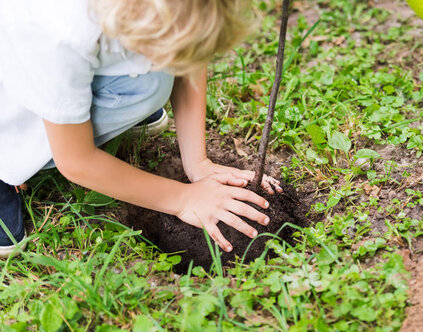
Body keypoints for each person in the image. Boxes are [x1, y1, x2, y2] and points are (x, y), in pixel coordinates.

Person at [0, 0, 282, 258]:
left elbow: (189, 54)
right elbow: (76, 160)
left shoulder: (163, 11)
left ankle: (110, 101)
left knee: (151, 84)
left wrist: (198, 163)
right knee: (27, 146)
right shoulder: (62, 35)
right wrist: (183, 198)